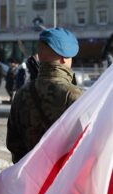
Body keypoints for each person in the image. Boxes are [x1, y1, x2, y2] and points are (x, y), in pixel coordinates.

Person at [6, 28, 83, 163]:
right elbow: (86, 144)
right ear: (64, 58)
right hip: (63, 177)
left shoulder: (21, 93)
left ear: (40, 57)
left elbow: (13, 142)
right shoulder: (74, 95)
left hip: (29, 176)